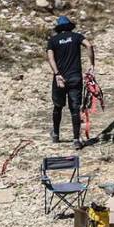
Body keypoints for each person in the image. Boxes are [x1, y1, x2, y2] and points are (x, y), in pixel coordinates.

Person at [46, 15, 95, 150]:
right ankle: (76, 140)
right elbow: (89, 45)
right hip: (75, 78)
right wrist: (91, 64)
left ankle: (56, 135)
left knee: (58, 106)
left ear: (59, 28)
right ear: (69, 26)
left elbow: (50, 58)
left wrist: (57, 74)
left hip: (60, 79)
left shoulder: (53, 40)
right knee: (75, 108)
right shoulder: (76, 36)